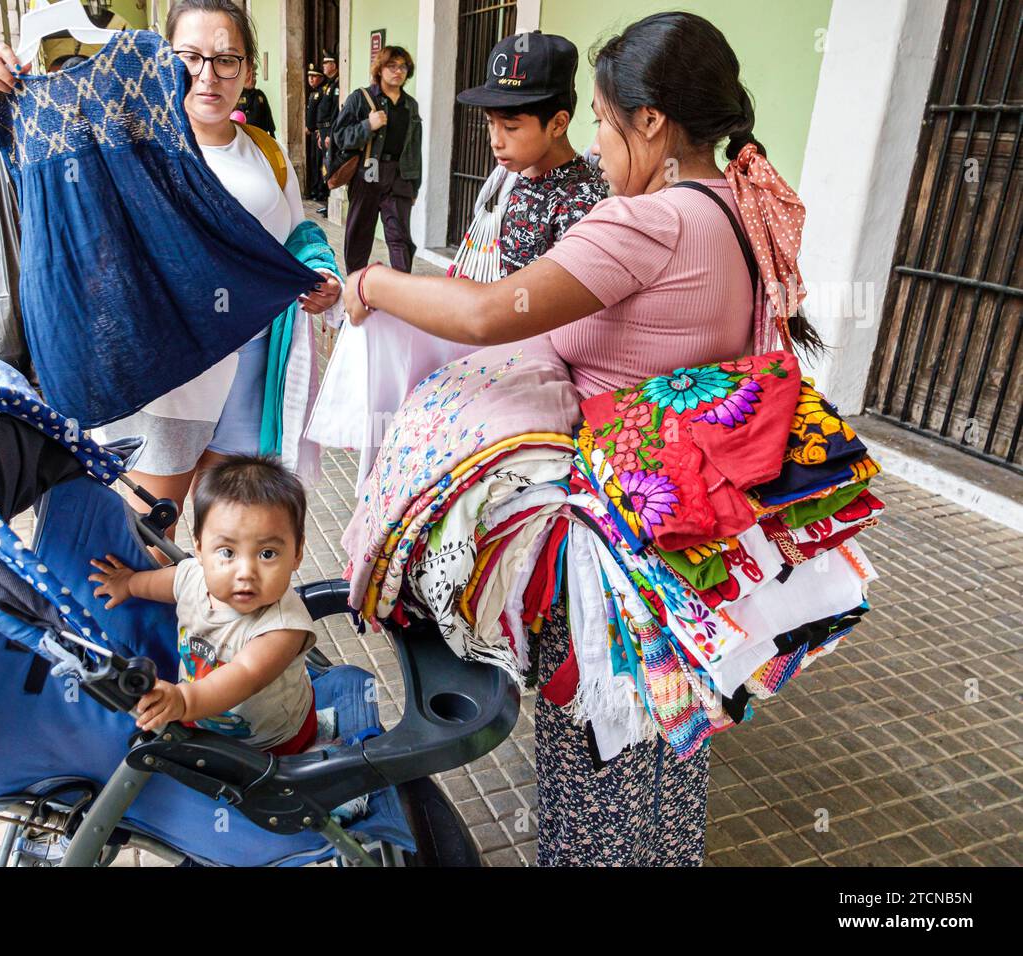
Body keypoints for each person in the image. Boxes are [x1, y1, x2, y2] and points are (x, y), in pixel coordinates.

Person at [342, 12, 824, 866]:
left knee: (598, 749)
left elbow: (491, 312)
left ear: (651, 121)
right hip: (687, 531)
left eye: (603, 120)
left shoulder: (648, 221)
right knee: (666, 742)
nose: (597, 147)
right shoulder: (737, 205)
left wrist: (375, 280)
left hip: (615, 537)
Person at [0, 0, 343, 525]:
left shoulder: (265, 149)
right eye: (188, 57)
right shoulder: (123, 145)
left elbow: (296, 234)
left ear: (248, 71)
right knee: (150, 538)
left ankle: (202, 610)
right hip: (167, 378)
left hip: (253, 373)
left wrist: (323, 276)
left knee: (228, 533)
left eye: (226, 59)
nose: (206, 75)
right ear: (161, 64)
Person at [88, 455, 319, 755]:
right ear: (199, 548)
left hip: (271, 740)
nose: (245, 571)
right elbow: (164, 583)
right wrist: (128, 584)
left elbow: (245, 675)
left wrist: (185, 700)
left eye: (267, 554)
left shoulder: (282, 628)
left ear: (298, 553)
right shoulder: (192, 576)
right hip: (200, 708)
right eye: (226, 552)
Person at [457, 31, 608, 276]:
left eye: (511, 127)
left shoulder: (580, 201)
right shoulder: (514, 174)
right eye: (490, 123)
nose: (495, 141)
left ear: (558, 124)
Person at [330, 45, 422, 273]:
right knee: (359, 235)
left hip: (399, 177)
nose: (398, 71)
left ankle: (402, 292)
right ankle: (354, 285)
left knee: (400, 238)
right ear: (380, 69)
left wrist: (414, 187)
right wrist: (367, 126)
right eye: (392, 66)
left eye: (403, 67)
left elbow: (414, 149)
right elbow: (340, 136)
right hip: (367, 175)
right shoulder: (360, 99)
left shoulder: (410, 106)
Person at [311, 52, 340, 209]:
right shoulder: (329, 84)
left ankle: (329, 201)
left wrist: (329, 133)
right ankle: (327, 199)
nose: (323, 66)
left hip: (329, 130)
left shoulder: (337, 84)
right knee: (324, 164)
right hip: (324, 130)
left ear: (334, 65)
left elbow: (336, 111)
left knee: (328, 164)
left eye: (326, 63)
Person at [304, 64, 326, 199]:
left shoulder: (323, 92)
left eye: (314, 76)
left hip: (319, 132)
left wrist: (318, 128)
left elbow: (324, 113)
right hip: (313, 133)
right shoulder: (314, 93)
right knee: (313, 160)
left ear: (321, 78)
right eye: (309, 76)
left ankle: (321, 190)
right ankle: (315, 188)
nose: (311, 79)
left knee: (320, 162)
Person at [236, 66, 275, 137]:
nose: (253, 79)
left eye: (254, 75)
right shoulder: (235, 95)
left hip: (261, 136)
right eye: (250, 76)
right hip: (243, 136)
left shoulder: (260, 94)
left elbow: (268, 114)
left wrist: (272, 133)